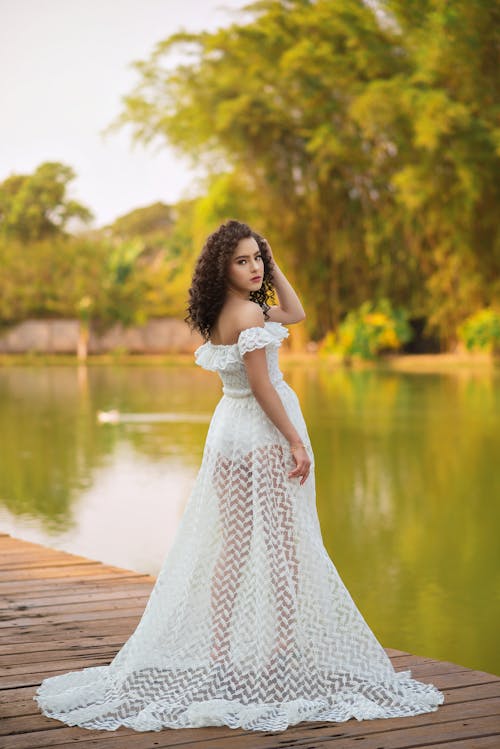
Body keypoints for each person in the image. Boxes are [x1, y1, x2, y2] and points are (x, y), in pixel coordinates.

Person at [34, 219, 444, 733]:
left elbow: (295, 313)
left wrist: (273, 264)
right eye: (243, 261)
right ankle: (277, 652)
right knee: (283, 545)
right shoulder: (249, 314)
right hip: (261, 433)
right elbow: (263, 387)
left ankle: (222, 650)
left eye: (257, 259)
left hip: (227, 432)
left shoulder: (220, 312)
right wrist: (294, 438)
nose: (253, 269)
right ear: (222, 268)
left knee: (232, 545)